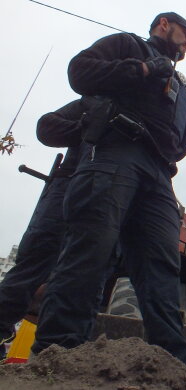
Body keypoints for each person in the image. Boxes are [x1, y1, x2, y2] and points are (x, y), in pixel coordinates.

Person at [32, 13, 186, 389]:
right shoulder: (128, 46)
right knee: (90, 250)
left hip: (159, 173)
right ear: (164, 24)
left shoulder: (182, 86)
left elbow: (179, 144)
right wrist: (143, 70)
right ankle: (58, 359)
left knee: (162, 268)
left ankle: (178, 370)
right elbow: (79, 72)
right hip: (116, 153)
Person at [0, 98, 93, 359]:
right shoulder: (95, 99)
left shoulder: (154, 109)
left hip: (109, 200)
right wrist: (89, 126)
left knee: (85, 276)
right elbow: (48, 127)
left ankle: (62, 355)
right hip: (69, 187)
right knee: (33, 265)